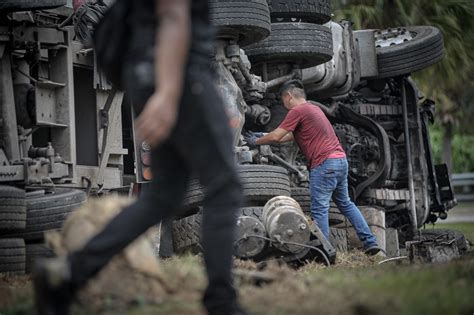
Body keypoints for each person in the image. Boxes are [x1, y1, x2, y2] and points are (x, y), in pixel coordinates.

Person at [33, 0, 245, 314]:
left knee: (160, 198)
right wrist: (169, 93)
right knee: (225, 188)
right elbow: (173, 12)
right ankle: (221, 302)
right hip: (179, 73)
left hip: (148, 71)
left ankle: (66, 275)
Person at [245, 80, 381, 255]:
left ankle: (324, 252)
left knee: (319, 209)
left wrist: (255, 141)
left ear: (289, 96)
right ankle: (370, 242)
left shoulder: (297, 110)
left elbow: (278, 136)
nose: (284, 104)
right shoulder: (313, 109)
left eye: (283, 100)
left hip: (324, 164)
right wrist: (263, 136)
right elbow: (292, 136)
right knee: (346, 204)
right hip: (340, 161)